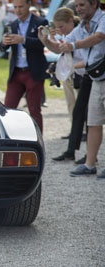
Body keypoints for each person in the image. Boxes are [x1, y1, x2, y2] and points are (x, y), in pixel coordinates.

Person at [38, 0, 105, 178]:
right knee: (93, 122)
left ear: (94, 4)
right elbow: (61, 48)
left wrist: (73, 46)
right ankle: (89, 164)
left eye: (82, 5)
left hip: (101, 74)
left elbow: (99, 37)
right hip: (95, 77)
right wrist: (45, 41)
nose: (78, 9)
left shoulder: (103, 19)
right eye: (77, 5)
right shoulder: (81, 27)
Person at [44, 8, 91, 163]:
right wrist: (46, 39)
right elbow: (60, 49)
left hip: (89, 77)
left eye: (61, 27)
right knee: (77, 113)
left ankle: (90, 155)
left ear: (71, 21)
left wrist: (70, 67)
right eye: (57, 27)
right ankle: (73, 151)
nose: (59, 30)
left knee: (90, 118)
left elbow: (89, 59)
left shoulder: (81, 32)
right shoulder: (73, 33)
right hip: (78, 76)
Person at [0, 0, 48, 134]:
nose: (18, 10)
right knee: (7, 109)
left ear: (28, 5)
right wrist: (3, 43)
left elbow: (44, 44)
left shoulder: (41, 22)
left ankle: (38, 143)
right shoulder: (11, 25)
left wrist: (24, 40)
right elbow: (2, 48)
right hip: (16, 73)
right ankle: (8, 141)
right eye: (15, 7)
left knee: (34, 110)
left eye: (21, 7)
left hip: (33, 72)